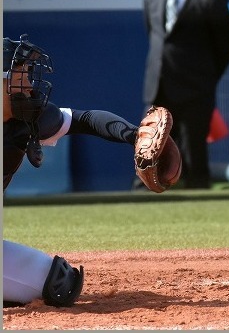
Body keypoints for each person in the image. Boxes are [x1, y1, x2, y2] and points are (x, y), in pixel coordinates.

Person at [2, 34, 150, 307]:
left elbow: (88, 119)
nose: (28, 85)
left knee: (61, 282)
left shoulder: (24, 119)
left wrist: (134, 137)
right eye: (18, 75)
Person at [141, 0, 229, 189]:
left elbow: (226, 47)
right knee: (149, 147)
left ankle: (198, 203)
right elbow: (156, 36)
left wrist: (204, 79)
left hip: (196, 89)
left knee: (194, 151)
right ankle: (145, 197)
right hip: (158, 87)